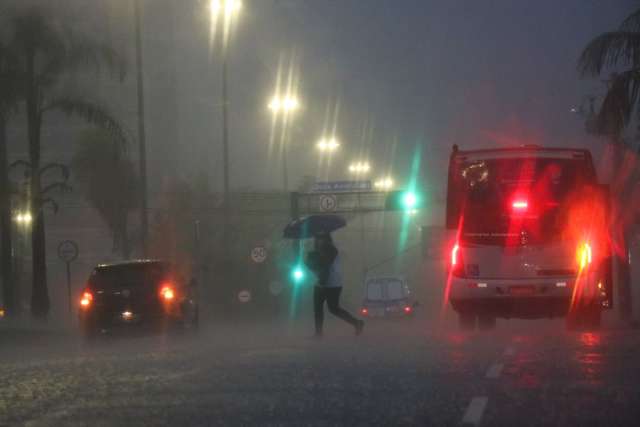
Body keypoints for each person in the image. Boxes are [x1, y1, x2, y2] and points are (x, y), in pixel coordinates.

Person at [305, 232, 364, 337]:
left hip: (332, 283)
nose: (318, 241)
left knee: (334, 309)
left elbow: (325, 265)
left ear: (326, 239)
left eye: (320, 238)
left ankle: (357, 323)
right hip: (321, 282)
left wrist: (314, 260)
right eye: (317, 238)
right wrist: (309, 262)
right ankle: (318, 333)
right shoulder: (319, 250)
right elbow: (317, 267)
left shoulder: (331, 249)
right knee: (318, 308)